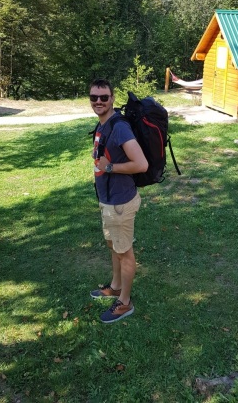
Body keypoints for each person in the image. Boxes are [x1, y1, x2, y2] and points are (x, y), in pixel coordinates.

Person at [89, 78, 148, 324]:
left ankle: (124, 302)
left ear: (112, 98)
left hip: (120, 204)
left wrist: (110, 167)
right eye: (94, 97)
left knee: (124, 252)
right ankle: (115, 287)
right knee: (114, 246)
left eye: (104, 97)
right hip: (109, 200)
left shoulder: (119, 127)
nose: (99, 101)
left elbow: (141, 164)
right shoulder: (103, 123)